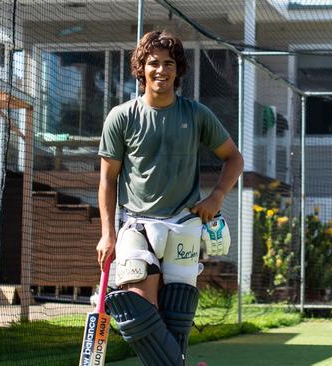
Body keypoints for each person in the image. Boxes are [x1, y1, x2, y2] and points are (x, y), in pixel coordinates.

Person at [95, 30, 243, 365]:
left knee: (175, 322)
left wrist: (217, 196)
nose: (160, 70)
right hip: (135, 225)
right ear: (141, 68)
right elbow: (107, 179)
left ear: (178, 70)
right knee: (138, 312)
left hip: (185, 224)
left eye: (168, 63)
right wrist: (107, 233)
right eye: (153, 63)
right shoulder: (121, 116)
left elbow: (234, 158)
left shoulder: (196, 114)